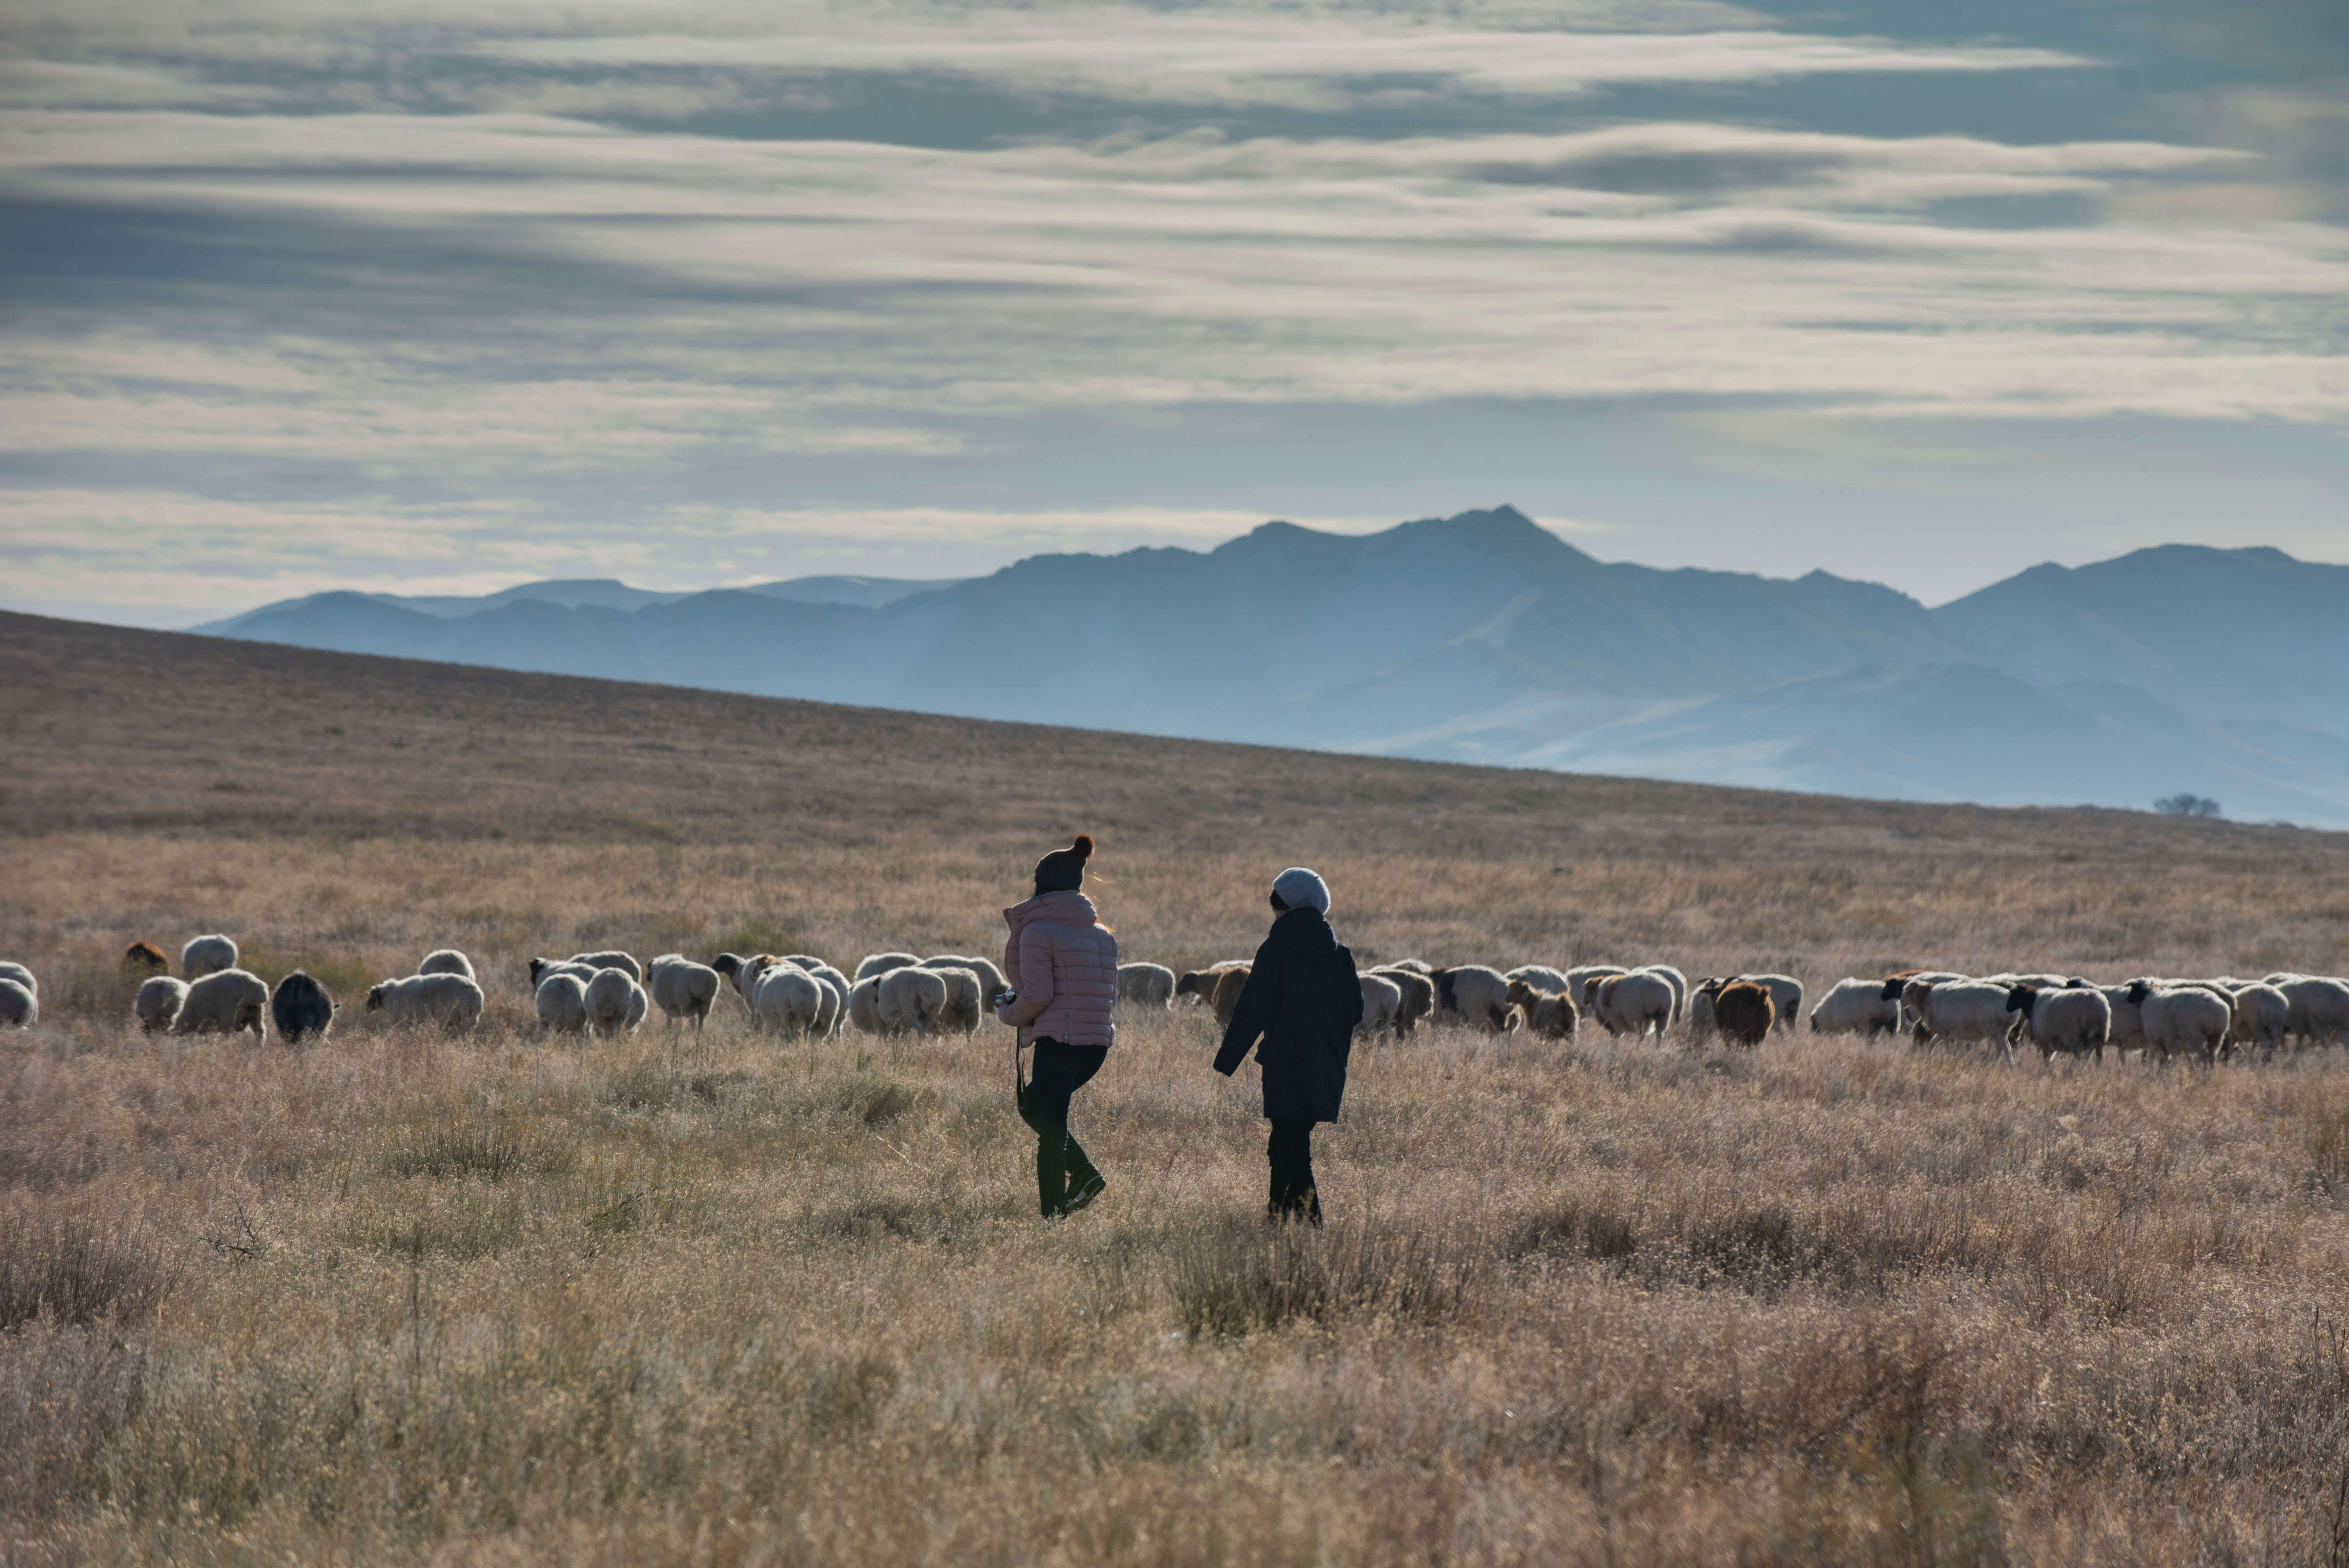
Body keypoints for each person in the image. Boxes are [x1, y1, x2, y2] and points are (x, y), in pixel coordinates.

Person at [1212, 866, 1362, 1225]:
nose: (1274, 910)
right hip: (1326, 1065)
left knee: (1292, 1149)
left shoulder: (1277, 948)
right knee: (1284, 1144)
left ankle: (1313, 1225)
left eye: (1276, 904)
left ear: (1285, 907)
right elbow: (1355, 1011)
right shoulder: (1340, 954)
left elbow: (1253, 1008)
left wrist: (1226, 1060)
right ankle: (1278, 1220)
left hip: (1286, 1064)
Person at [997, 834, 1119, 1219]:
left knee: (1050, 1132)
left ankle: (1051, 1217)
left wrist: (1007, 1011)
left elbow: (1037, 996)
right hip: (1094, 1046)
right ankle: (1084, 1175)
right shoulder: (1103, 936)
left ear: (1040, 884)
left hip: (1060, 1042)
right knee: (1036, 1106)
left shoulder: (1038, 931)